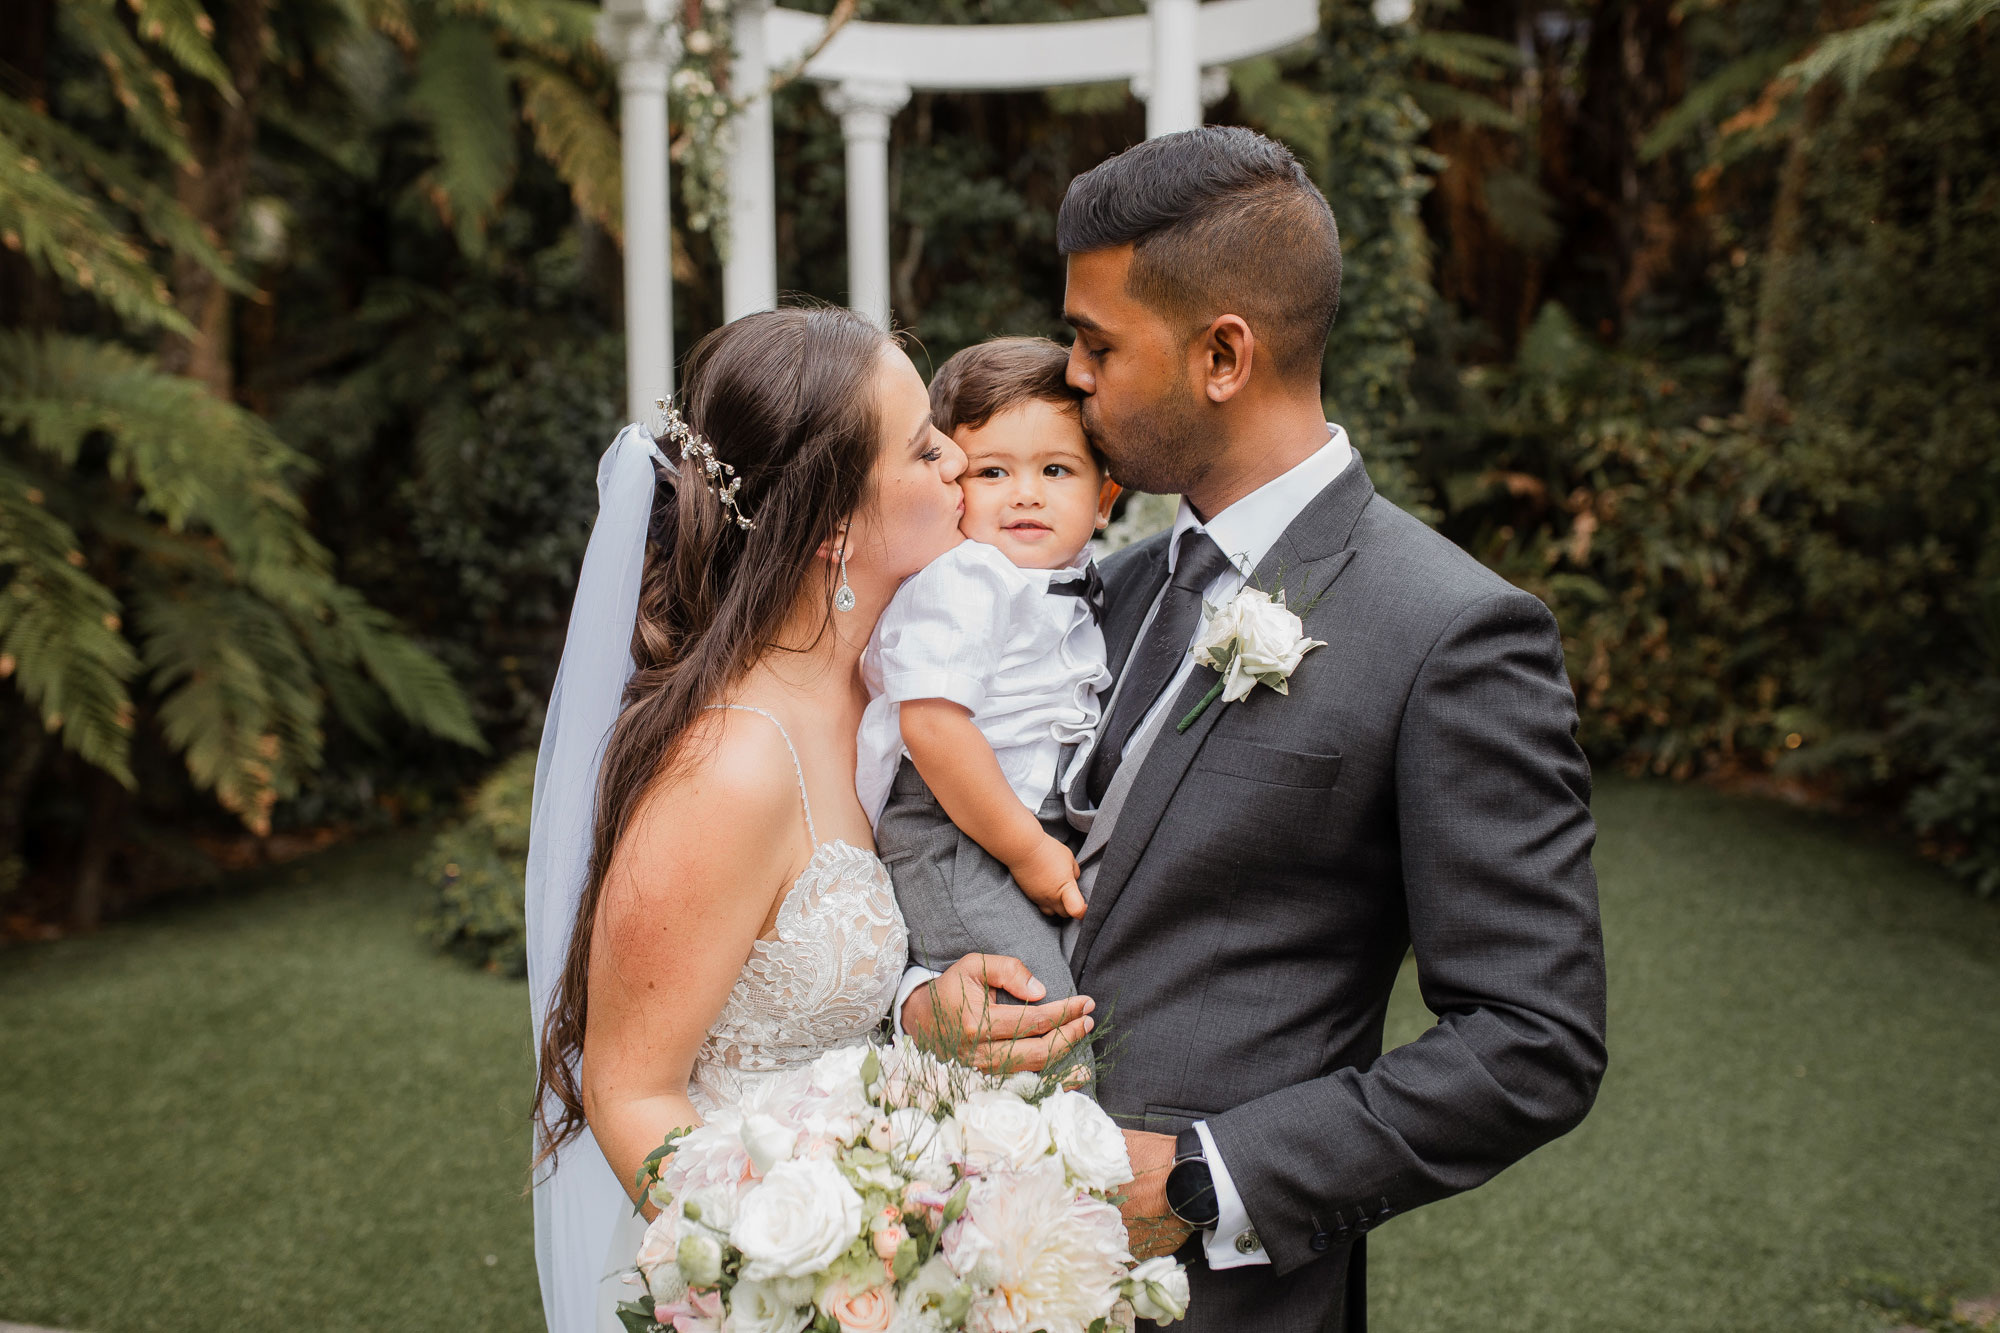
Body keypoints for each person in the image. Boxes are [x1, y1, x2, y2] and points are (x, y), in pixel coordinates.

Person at [900, 127, 1609, 1332]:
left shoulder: (1450, 632)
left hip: (1228, 1306)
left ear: (1222, 353)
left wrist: (1197, 1181)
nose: (1069, 376)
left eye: (1096, 343)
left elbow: (1530, 1039)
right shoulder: (1088, 598)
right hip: (974, 1266)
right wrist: (928, 996)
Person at [521, 307, 1095, 1333]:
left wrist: (923, 1008)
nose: (962, 458)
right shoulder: (730, 766)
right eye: (923, 445)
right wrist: (803, 1290)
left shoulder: (876, 694)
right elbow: (627, 1091)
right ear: (836, 531)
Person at [860, 336, 1119, 1010]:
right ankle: (1056, 1115)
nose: (1026, 495)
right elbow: (934, 725)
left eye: (1056, 471)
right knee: (1040, 1017)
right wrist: (1031, 851)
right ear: (954, 487)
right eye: (993, 472)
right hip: (955, 837)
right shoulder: (967, 578)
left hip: (1018, 826)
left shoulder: (1070, 581)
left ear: (1105, 500)